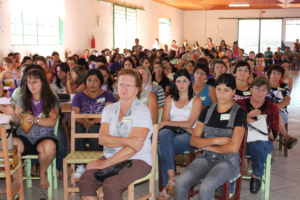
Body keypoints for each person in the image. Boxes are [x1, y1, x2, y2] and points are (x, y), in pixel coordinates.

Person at [78, 68, 153, 200]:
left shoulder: (142, 111)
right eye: (121, 84)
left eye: (129, 85)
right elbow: (102, 139)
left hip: (138, 159)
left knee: (111, 185)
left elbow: (133, 147)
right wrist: (127, 140)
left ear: (137, 89)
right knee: (85, 181)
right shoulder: (109, 109)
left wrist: (105, 164)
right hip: (110, 155)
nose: (124, 88)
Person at [174, 74, 247, 200]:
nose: (222, 94)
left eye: (226, 90)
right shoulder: (207, 111)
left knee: (206, 186)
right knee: (180, 182)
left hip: (228, 162)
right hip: (206, 158)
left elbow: (233, 148)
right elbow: (194, 140)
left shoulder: (239, 113)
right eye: (219, 89)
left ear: (233, 92)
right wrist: (216, 141)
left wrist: (207, 147)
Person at [1, 69, 60, 189]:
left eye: (35, 81)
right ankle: (16, 179)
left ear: (42, 82)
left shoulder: (52, 99)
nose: (31, 85)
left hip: (44, 136)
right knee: (11, 144)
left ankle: (42, 173)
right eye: (29, 82)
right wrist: (12, 115)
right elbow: (18, 122)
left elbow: (52, 121)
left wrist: (35, 120)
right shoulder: (22, 99)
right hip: (25, 136)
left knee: (49, 147)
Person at [156, 69, 201, 200]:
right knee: (164, 133)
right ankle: (171, 181)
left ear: (189, 82)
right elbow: (165, 122)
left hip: (189, 135)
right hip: (171, 133)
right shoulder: (170, 99)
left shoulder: (195, 100)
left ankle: (167, 186)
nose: (181, 84)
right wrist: (168, 124)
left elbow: (189, 123)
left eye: (184, 81)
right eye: (178, 81)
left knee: (161, 149)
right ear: (175, 83)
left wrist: (170, 124)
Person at [235, 76, 279, 193]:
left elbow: (274, 135)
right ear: (251, 89)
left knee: (258, 145)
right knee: (232, 145)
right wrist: (246, 118)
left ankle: (256, 174)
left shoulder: (272, 107)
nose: (260, 92)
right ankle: (228, 179)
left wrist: (261, 124)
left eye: (264, 90)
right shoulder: (239, 104)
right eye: (257, 89)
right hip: (241, 141)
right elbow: (230, 126)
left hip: (263, 143)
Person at [72, 69, 115, 179]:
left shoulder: (108, 95)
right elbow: (75, 115)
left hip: (101, 124)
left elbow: (109, 114)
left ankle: (97, 164)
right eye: (89, 80)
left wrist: (93, 121)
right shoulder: (79, 96)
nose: (92, 83)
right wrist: (84, 121)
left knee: (94, 129)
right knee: (77, 129)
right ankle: (80, 166)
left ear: (101, 82)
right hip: (83, 123)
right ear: (85, 82)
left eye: (95, 80)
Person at [265, 65, 297, 149]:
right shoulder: (264, 86)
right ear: (269, 74)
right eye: (274, 73)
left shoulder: (284, 87)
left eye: (279, 73)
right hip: (264, 112)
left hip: (281, 113)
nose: (276, 75)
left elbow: (287, 101)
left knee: (275, 115)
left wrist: (275, 106)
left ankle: (270, 152)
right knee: (274, 115)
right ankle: (287, 137)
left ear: (281, 76)